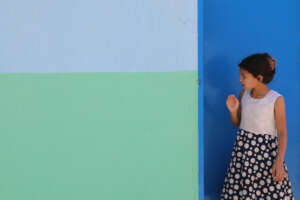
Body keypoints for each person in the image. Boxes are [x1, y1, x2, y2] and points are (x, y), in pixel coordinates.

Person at [220, 53, 294, 199]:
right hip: (244, 158)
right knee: (243, 193)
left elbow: (282, 133)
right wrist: (233, 111)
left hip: (266, 159)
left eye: (244, 76)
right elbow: (238, 123)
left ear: (259, 78)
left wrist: (279, 162)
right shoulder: (244, 94)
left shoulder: (276, 100)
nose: (240, 79)